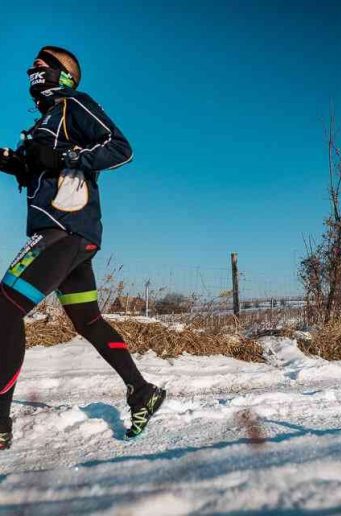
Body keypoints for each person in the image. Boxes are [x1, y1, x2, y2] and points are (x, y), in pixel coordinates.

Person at [0, 46, 166, 450]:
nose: (32, 70)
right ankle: (142, 391)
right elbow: (43, 168)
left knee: (4, 309)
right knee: (88, 321)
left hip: (64, 231)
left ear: (63, 75)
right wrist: (17, 162)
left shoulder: (73, 104)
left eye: (41, 66)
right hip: (72, 235)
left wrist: (63, 154)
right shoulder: (44, 121)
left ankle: (0, 424)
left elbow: (120, 148)